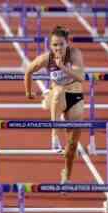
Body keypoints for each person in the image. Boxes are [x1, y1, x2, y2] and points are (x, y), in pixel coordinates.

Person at [24, 25, 85, 184]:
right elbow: (28, 71)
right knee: (58, 92)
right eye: (54, 45)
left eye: (61, 44)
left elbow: (81, 77)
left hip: (75, 96)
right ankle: (54, 134)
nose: (58, 48)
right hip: (58, 96)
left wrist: (63, 67)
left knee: (72, 145)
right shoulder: (47, 58)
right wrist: (28, 92)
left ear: (67, 44)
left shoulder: (75, 54)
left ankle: (66, 174)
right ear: (50, 46)